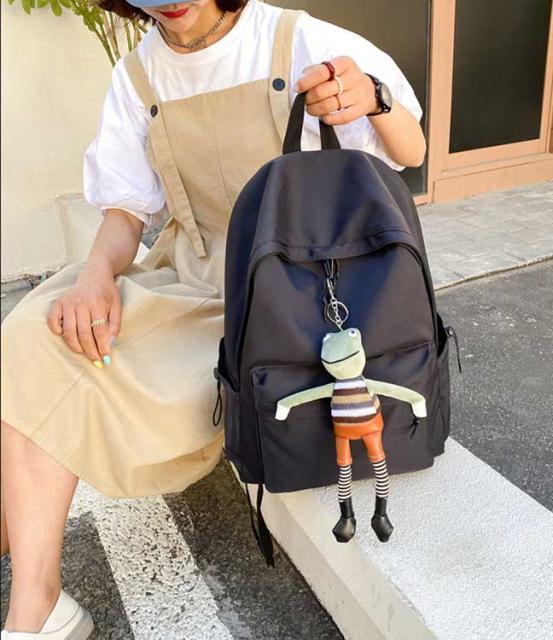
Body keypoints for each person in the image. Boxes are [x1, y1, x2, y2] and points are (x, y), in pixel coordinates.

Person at [0, 0, 426, 636]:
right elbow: (126, 212)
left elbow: (412, 150)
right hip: (192, 278)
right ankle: (38, 606)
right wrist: (95, 277)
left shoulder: (293, 38)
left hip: (295, 297)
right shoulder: (139, 74)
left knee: (68, 378)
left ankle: (30, 605)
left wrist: (373, 98)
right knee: (35, 334)